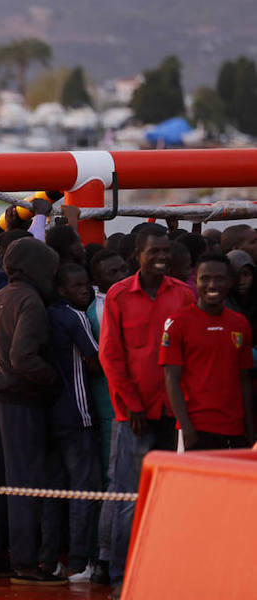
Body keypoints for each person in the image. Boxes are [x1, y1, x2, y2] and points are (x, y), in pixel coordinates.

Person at [99, 224, 195, 599]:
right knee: (127, 496)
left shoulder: (184, 295)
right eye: (153, 251)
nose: (161, 257)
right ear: (136, 256)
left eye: (165, 251)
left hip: (174, 415)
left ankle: (159, 567)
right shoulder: (119, 296)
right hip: (133, 415)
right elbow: (111, 355)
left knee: (165, 495)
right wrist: (133, 405)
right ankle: (122, 573)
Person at [0, 237, 64, 585]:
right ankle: (25, 563)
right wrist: (52, 379)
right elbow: (23, 357)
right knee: (25, 481)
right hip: (22, 401)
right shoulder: (30, 300)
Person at [41, 263, 101, 581]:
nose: (86, 291)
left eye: (86, 285)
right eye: (78, 286)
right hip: (78, 414)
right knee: (83, 488)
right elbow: (93, 361)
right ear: (62, 289)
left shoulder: (44, 313)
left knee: (53, 491)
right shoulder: (75, 316)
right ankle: (79, 563)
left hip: (49, 413)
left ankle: (49, 560)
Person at [161, 253, 254, 450]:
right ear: (196, 281)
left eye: (219, 279)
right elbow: (171, 378)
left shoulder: (240, 323)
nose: (212, 285)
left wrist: (250, 428)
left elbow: (245, 378)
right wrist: (186, 429)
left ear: (230, 282)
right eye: (205, 278)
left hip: (234, 430)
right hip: (196, 429)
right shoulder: (178, 323)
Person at [85, 248, 129, 585]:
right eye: (111, 272)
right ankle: (105, 556)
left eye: (122, 269)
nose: (119, 276)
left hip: (118, 408)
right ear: (96, 280)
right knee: (114, 479)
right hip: (112, 408)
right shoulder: (99, 309)